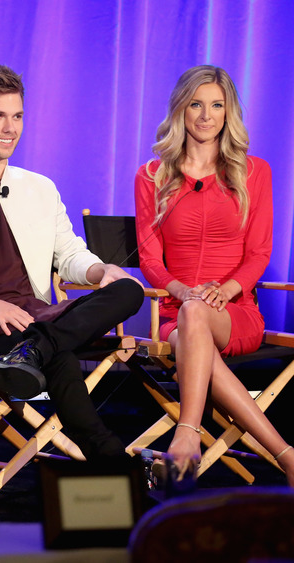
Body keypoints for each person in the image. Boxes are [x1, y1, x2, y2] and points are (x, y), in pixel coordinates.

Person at [0, 63, 144, 460]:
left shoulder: (40, 187)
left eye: (17, 116)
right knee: (60, 355)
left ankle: (34, 349)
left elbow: (68, 253)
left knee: (127, 290)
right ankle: (113, 461)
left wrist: (99, 270)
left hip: (37, 316)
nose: (9, 128)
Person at [134, 65, 292, 484]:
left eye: (216, 105)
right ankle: (288, 456)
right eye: (196, 104)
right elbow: (150, 260)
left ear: (229, 112)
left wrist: (224, 290)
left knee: (200, 315)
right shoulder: (152, 176)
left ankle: (186, 434)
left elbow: (259, 252)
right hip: (173, 311)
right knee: (192, 318)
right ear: (181, 111)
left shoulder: (254, 171)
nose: (206, 115)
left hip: (234, 309)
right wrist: (184, 292)